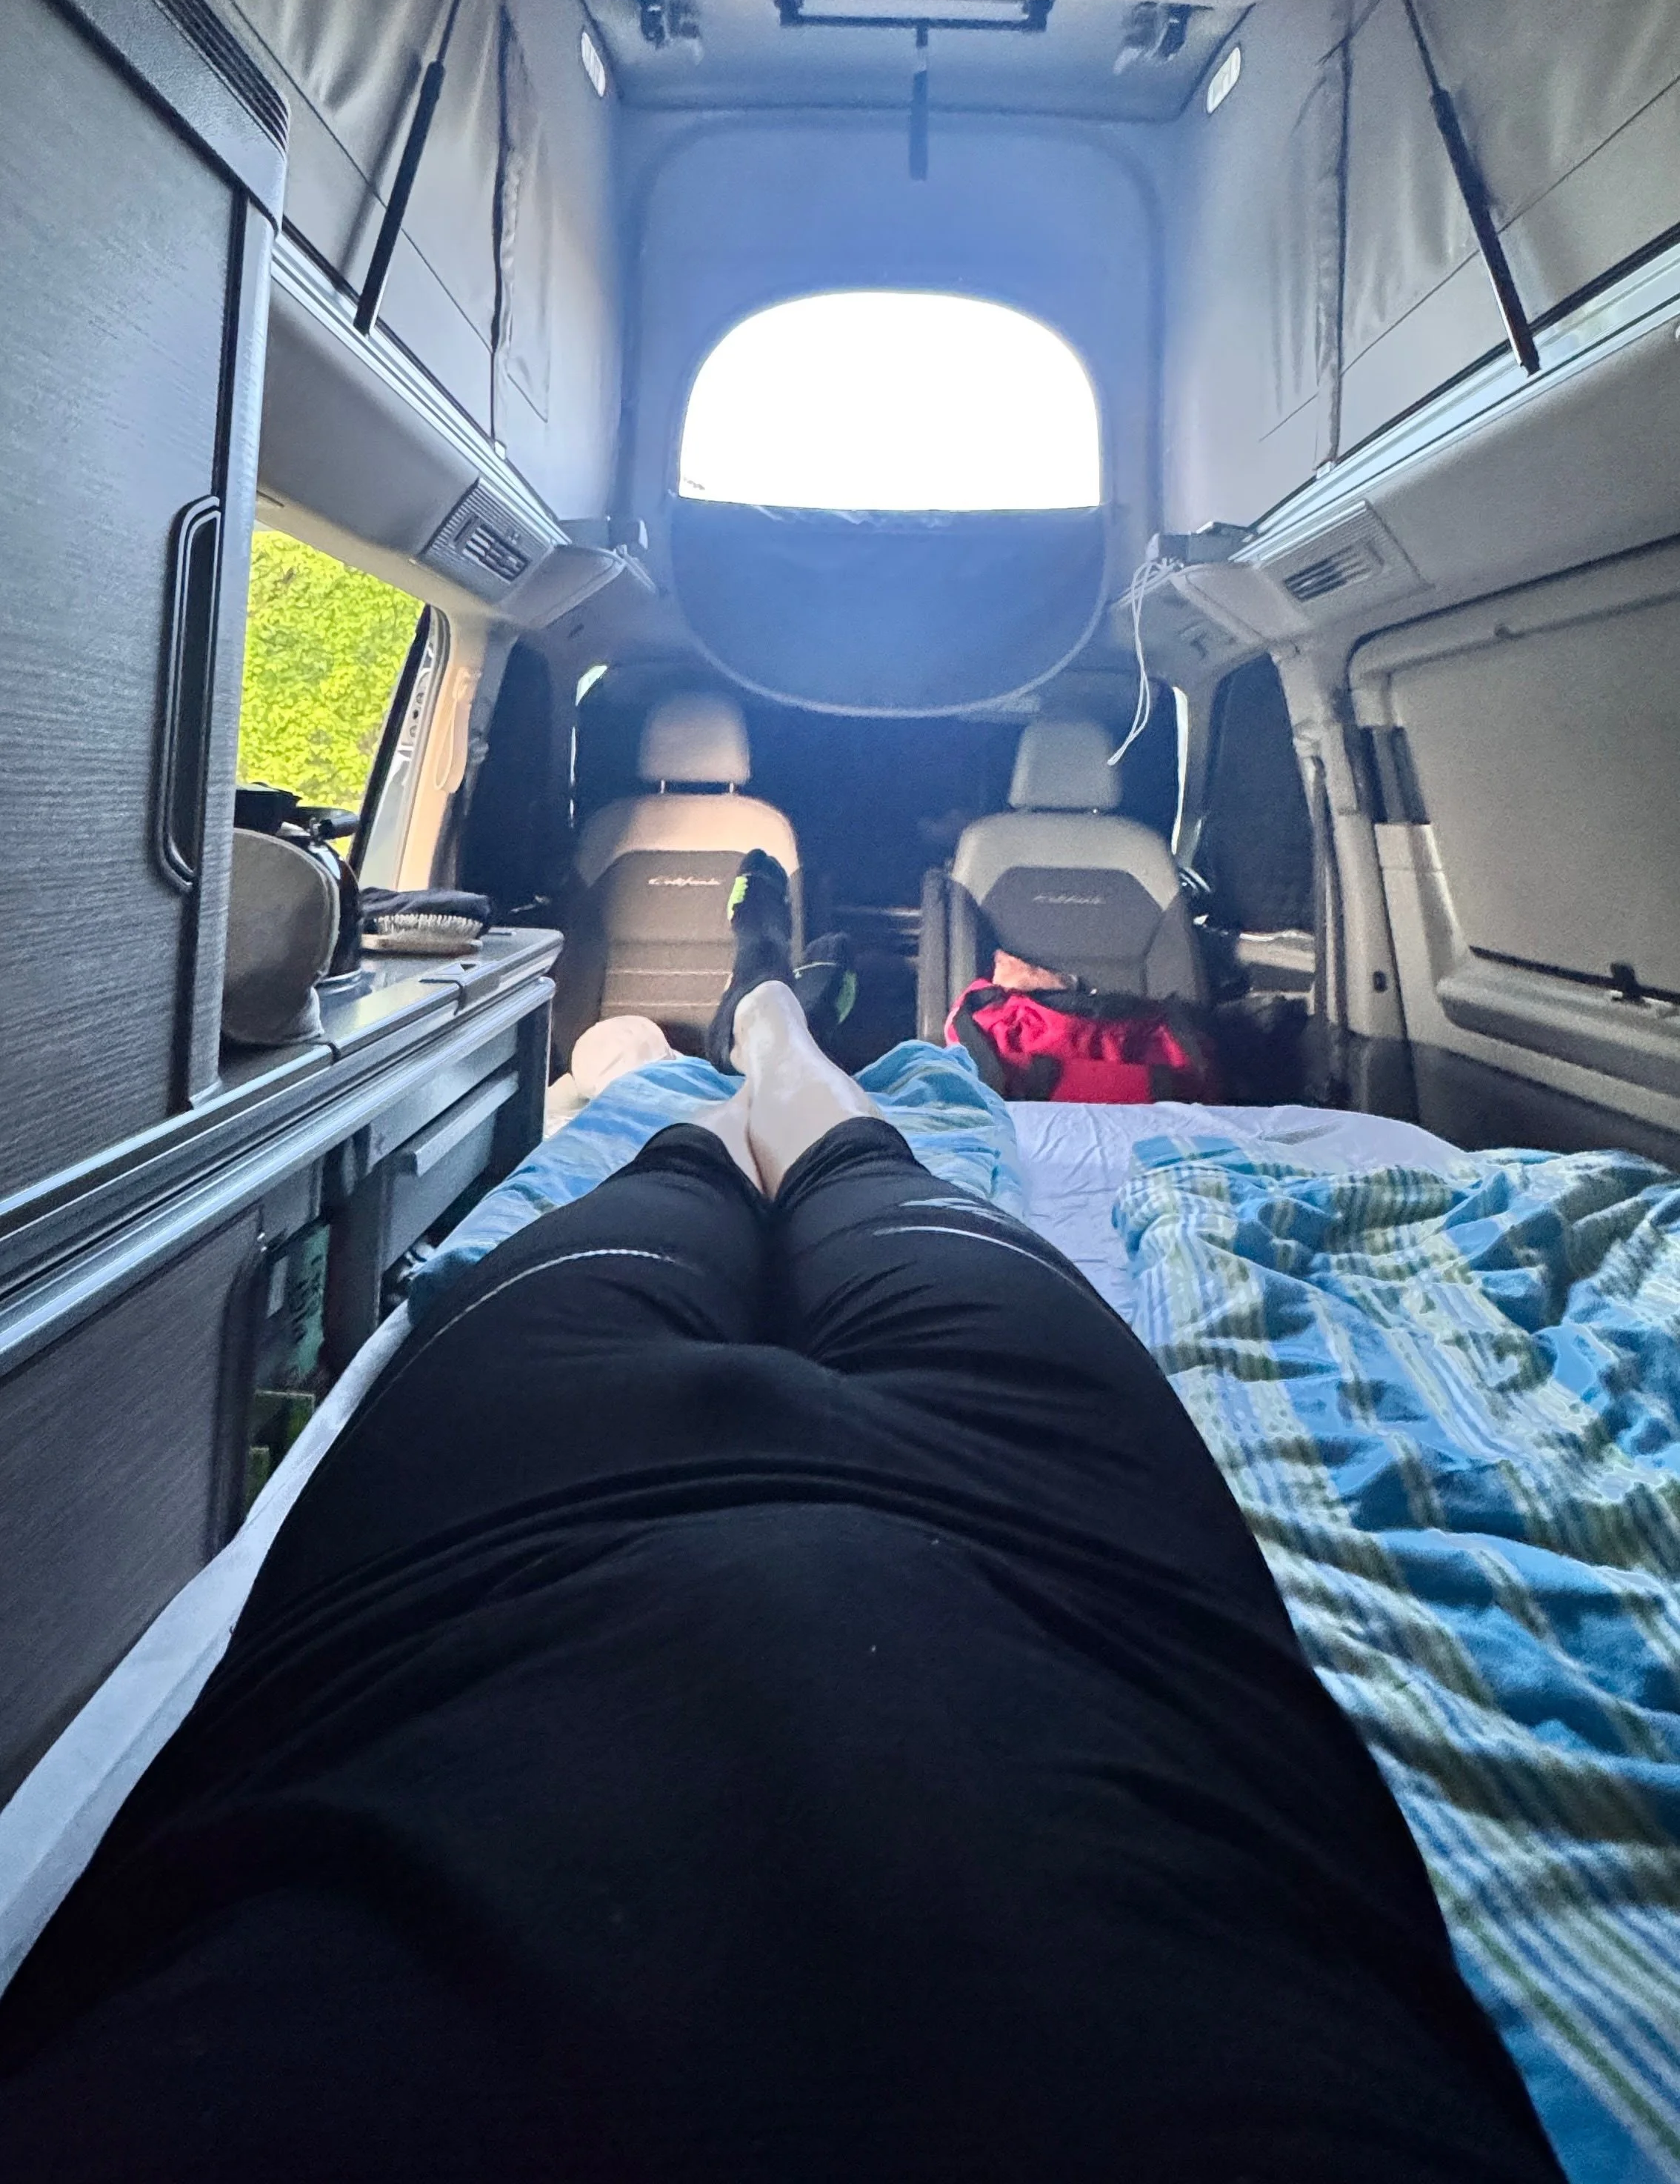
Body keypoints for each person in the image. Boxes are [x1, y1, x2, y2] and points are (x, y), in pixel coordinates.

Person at [0, 860, 1561, 2182]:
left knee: (673, 1166)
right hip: (1055, 1538)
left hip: (514, 1523)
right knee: (850, 1165)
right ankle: (768, 1031)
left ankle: (695, 1047)